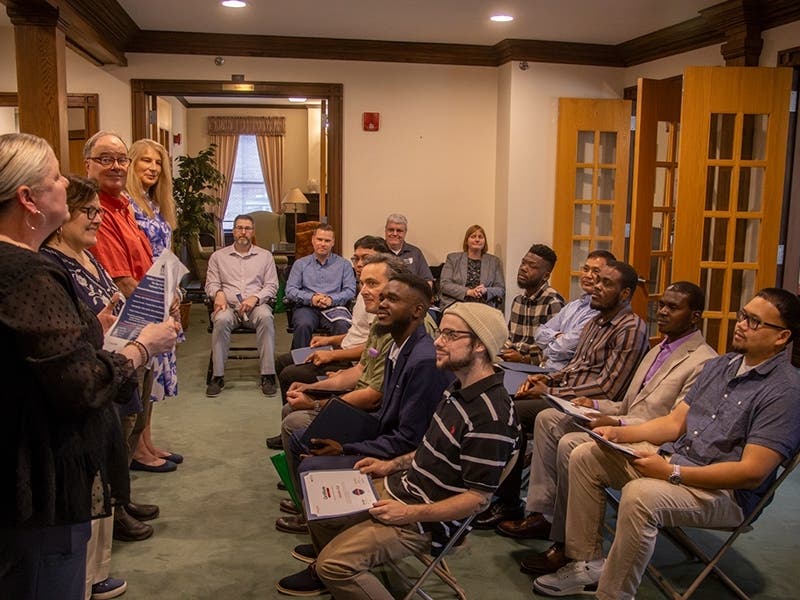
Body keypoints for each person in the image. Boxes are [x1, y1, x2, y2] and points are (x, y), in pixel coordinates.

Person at [532, 289, 800, 599]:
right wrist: (619, 433)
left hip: (725, 492)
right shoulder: (721, 365)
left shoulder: (785, 390)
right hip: (678, 461)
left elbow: (752, 473)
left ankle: (614, 594)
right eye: (743, 315)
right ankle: (587, 564)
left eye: (754, 321)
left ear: (782, 337)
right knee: (586, 455)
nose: (741, 324)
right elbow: (674, 424)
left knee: (640, 495)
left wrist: (672, 472)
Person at [0, 133, 176, 600]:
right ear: (28, 199)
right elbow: (81, 384)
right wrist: (141, 347)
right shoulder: (28, 274)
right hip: (40, 479)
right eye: (56, 177)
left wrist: (92, 330)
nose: (66, 184)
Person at [276, 302, 521, 597]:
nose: (438, 342)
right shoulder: (458, 389)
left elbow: (477, 500)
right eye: (440, 333)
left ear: (480, 345)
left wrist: (409, 512)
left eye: (450, 335)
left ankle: (332, 571)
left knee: (333, 566)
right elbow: (431, 449)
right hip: (404, 488)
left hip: (426, 521)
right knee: (318, 498)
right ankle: (335, 570)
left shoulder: (491, 417)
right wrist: (389, 466)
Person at [499, 282, 716, 576]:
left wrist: (617, 423)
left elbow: (673, 425)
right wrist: (594, 405)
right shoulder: (658, 349)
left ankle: (574, 548)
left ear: (695, 316)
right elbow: (627, 405)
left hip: (652, 443)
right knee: (549, 418)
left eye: (673, 307)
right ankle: (546, 514)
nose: (663, 311)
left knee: (573, 445)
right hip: (625, 425)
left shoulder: (703, 361)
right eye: (662, 304)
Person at [475, 260, 648, 530]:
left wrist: (551, 391)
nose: (596, 287)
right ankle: (500, 494)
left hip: (594, 407)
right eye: (597, 280)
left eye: (606, 283)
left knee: (512, 412)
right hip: (565, 395)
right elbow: (574, 367)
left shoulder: (630, 328)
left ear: (625, 294)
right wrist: (547, 378)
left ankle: (513, 503)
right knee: (501, 399)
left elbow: (608, 388)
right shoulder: (596, 321)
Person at [275, 268, 447, 535]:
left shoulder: (422, 360)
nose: (382, 303)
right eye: (383, 297)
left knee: (310, 456)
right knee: (302, 437)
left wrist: (346, 449)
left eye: (392, 299)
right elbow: (364, 374)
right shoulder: (398, 343)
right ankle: (313, 512)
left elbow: (408, 439)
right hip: (381, 425)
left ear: (417, 310)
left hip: (398, 446)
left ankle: (323, 531)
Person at [85, 131, 176, 475]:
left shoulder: (125, 206)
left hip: (152, 304)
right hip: (130, 315)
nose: (116, 166)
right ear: (89, 164)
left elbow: (151, 259)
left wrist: (169, 298)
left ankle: (141, 447)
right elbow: (121, 276)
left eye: (120, 159)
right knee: (130, 399)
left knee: (144, 389)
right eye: (105, 159)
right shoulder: (99, 211)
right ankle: (127, 468)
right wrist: (158, 311)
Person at [127, 138, 183, 469]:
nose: (152, 167)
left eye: (158, 162)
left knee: (155, 373)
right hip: (142, 297)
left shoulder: (155, 204)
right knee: (143, 374)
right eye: (145, 160)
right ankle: (136, 449)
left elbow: (165, 254)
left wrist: (175, 293)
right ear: (132, 163)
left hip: (163, 294)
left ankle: (146, 441)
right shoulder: (127, 205)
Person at [205, 213, 279, 397]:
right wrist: (218, 293)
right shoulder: (218, 257)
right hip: (228, 307)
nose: (243, 232)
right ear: (233, 230)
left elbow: (272, 286)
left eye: (247, 228)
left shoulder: (265, 256)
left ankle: (268, 375)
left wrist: (256, 298)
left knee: (266, 317)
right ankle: (217, 376)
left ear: (253, 232)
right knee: (221, 320)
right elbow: (211, 284)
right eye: (239, 228)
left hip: (255, 307)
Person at [534, 249, 616, 370]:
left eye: (596, 271)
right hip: (545, 369)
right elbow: (539, 333)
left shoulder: (599, 312)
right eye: (586, 269)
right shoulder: (574, 305)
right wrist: (558, 336)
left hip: (564, 375)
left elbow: (564, 349)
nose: (588, 275)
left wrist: (546, 350)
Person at [284, 223, 357, 349]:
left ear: (333, 243)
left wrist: (331, 300)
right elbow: (290, 290)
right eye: (319, 239)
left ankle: (339, 359)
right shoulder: (300, 264)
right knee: (303, 324)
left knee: (342, 324)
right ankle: (300, 360)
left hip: (335, 307)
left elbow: (350, 291)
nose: (323, 244)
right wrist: (312, 298)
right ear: (313, 240)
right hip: (307, 307)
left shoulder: (344, 265)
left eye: (327, 241)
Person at [499, 244, 565, 365]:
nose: (523, 268)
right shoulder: (518, 300)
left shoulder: (553, 302)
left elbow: (556, 350)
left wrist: (523, 359)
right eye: (523, 262)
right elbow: (510, 339)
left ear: (545, 276)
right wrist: (499, 352)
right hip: (513, 362)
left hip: (536, 367)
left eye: (532, 266)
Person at [439, 224, 505, 309]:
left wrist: (486, 291)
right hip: (456, 304)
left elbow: (500, 289)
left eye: (480, 237)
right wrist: (468, 292)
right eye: (473, 236)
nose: (477, 240)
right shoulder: (453, 258)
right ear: (466, 241)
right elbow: (444, 284)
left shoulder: (494, 261)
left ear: (484, 241)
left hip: (484, 306)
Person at [383, 213, 433, 284]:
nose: (395, 234)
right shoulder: (378, 251)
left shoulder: (415, 253)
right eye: (391, 230)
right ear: (385, 230)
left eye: (399, 231)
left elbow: (427, 281)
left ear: (405, 232)